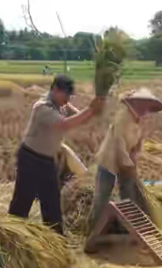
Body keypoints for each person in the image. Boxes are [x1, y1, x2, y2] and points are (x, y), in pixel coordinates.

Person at [8, 74, 104, 234]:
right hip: (30, 158)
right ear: (55, 90)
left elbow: (79, 117)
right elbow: (63, 125)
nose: (67, 100)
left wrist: (96, 109)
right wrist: (90, 111)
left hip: (46, 160)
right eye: (65, 95)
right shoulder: (42, 107)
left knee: (51, 199)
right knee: (23, 199)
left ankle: (56, 237)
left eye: (69, 96)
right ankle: (13, 233)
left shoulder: (61, 106)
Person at [86, 88, 162, 242]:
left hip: (126, 163)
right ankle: (92, 231)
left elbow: (138, 144)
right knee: (102, 196)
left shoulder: (141, 121)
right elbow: (118, 143)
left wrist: (134, 159)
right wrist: (128, 164)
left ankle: (129, 229)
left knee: (129, 196)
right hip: (109, 160)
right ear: (135, 103)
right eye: (143, 104)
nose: (145, 108)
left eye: (147, 105)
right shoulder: (123, 117)